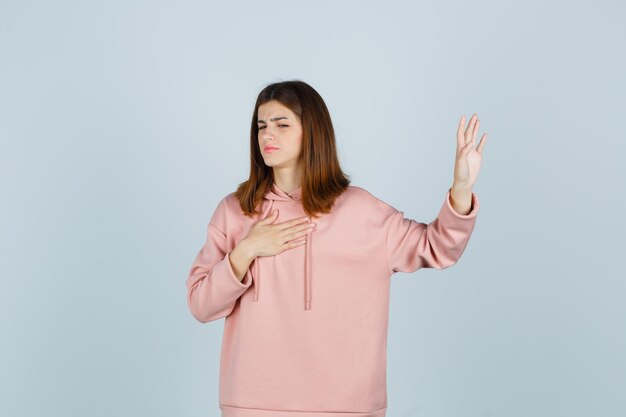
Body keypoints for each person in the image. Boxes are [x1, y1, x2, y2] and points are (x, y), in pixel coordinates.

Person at [186, 80, 487, 417]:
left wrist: (461, 189)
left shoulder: (362, 212)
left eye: (282, 125)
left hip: (347, 407)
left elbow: (439, 247)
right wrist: (245, 251)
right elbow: (200, 304)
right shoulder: (234, 211)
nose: (268, 135)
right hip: (252, 405)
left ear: (312, 132)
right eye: (261, 126)